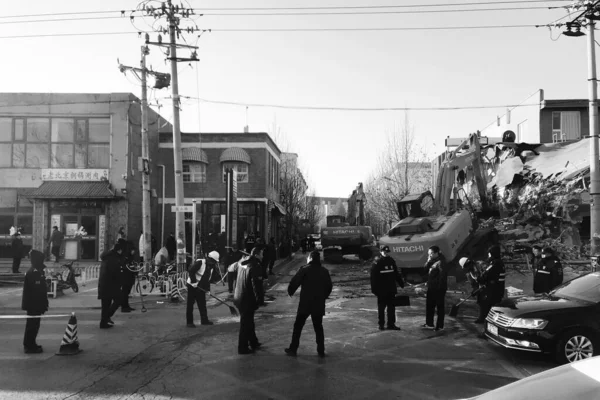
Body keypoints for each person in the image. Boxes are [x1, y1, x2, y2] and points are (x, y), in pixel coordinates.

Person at [285, 250, 333, 357]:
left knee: (298, 326)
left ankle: (293, 348)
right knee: (318, 327)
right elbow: (329, 287)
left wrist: (290, 291)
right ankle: (321, 350)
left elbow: (295, 282)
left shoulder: (304, 269)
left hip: (305, 304)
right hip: (318, 304)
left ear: (310, 258)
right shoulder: (324, 271)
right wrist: (323, 297)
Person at [233, 247, 263, 355]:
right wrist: (260, 300)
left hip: (239, 296)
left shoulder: (241, 263)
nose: (263, 256)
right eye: (261, 254)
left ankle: (253, 342)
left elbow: (231, 269)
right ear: (256, 255)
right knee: (246, 323)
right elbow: (257, 285)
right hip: (247, 298)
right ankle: (243, 348)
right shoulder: (255, 266)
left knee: (249, 321)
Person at [371, 245, 404, 331]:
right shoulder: (377, 262)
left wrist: (401, 283)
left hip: (391, 288)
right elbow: (373, 278)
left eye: (387, 252)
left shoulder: (391, 260)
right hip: (381, 290)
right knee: (381, 308)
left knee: (391, 308)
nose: (385, 253)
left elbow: (396, 273)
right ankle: (381, 324)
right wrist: (374, 289)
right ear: (381, 252)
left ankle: (391, 324)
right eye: (384, 252)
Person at [22, 249, 49, 353]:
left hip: (36, 304)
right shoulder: (33, 272)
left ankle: (32, 343)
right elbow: (36, 291)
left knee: (34, 325)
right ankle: (29, 345)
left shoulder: (37, 271)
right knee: (32, 326)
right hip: (33, 305)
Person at [186, 251, 219, 327]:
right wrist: (193, 282)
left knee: (202, 304)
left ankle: (204, 320)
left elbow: (207, 280)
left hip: (200, 288)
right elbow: (191, 271)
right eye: (213, 261)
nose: (214, 263)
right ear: (209, 259)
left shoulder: (211, 267)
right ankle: (189, 322)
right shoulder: (200, 262)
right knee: (190, 305)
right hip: (192, 286)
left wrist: (208, 290)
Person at [477, 245, 506, 329]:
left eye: (489, 254)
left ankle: (487, 329)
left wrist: (479, 278)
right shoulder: (500, 263)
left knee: (487, 308)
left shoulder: (495, 264)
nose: (488, 256)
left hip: (492, 291)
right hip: (498, 289)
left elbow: (485, 275)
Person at [98, 241, 124, 329]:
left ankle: (104, 321)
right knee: (118, 300)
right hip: (111, 284)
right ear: (119, 250)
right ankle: (106, 317)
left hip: (104, 284)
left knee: (105, 304)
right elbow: (115, 272)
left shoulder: (107, 257)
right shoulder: (113, 259)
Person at [423, 245, 448, 331]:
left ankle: (440, 326)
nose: (429, 255)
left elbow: (443, 277)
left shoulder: (441, 262)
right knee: (430, 306)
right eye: (428, 254)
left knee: (439, 307)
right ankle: (429, 323)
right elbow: (425, 270)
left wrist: (440, 288)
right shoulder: (432, 261)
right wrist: (428, 261)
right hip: (431, 287)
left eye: (431, 253)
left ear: (437, 253)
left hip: (438, 289)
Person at [459, 257, 486, 323]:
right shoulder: (469, 274)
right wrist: (474, 290)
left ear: (469, 263)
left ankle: (485, 318)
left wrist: (484, 281)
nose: (466, 269)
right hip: (481, 287)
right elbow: (474, 284)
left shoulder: (480, 264)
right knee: (480, 301)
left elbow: (489, 274)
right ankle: (481, 318)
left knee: (487, 302)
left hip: (488, 285)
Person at [120, 238, 137, 313]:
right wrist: (133, 269)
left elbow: (132, 266)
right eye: (133, 250)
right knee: (125, 292)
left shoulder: (130, 257)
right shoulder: (125, 257)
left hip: (130, 277)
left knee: (127, 292)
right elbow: (127, 267)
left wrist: (135, 270)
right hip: (126, 278)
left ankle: (127, 306)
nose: (134, 252)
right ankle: (124, 306)